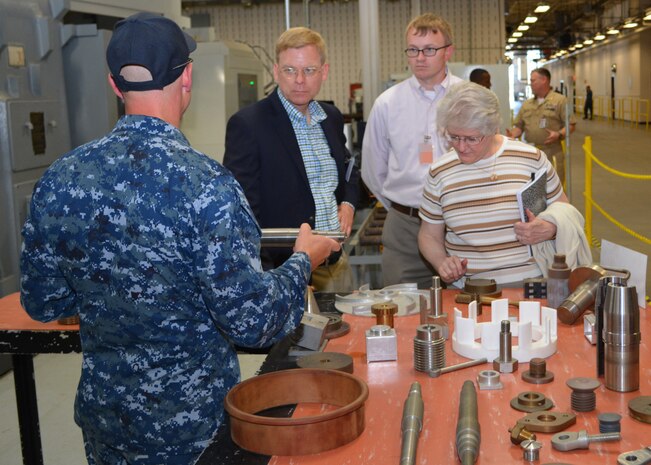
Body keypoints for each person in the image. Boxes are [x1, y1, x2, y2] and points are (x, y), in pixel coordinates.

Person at [19, 13, 339, 465]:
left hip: (107, 423)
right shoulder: (207, 185)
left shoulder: (61, 178)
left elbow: (44, 303)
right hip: (194, 430)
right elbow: (253, 321)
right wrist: (303, 260)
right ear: (187, 77)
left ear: (115, 86)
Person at [223, 27, 359, 292]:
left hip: (337, 263)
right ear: (275, 72)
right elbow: (243, 212)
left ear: (324, 72)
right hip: (288, 272)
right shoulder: (249, 125)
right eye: (289, 70)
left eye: (309, 70)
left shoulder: (330, 117)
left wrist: (349, 202)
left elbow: (348, 169)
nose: (299, 79)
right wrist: (270, 280)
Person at [419, 81, 590, 287]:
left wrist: (551, 228)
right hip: (469, 291)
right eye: (454, 137)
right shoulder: (440, 171)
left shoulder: (531, 158)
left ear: (493, 128)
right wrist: (442, 262)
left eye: (472, 139)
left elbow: (565, 209)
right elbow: (428, 235)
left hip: (532, 286)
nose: (461, 147)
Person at [361, 13, 463, 288]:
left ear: (448, 51)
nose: (420, 57)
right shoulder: (388, 104)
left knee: (465, 308)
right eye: (413, 50)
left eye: (429, 49)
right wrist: (402, 206)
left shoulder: (469, 98)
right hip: (405, 227)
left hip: (460, 225)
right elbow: (372, 170)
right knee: (403, 308)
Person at [506, 68, 576, 186]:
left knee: (553, 188)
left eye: (533, 81)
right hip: (531, 154)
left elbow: (571, 124)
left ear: (544, 80)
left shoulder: (560, 101)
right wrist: (513, 134)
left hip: (552, 152)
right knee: (532, 189)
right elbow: (519, 126)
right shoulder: (527, 104)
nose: (530, 84)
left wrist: (559, 134)